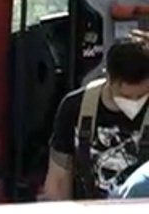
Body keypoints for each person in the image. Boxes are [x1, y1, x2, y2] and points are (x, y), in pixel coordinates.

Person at [43, 29, 149, 200]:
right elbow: (58, 178)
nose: (135, 102)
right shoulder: (75, 107)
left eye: (142, 95)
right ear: (109, 77)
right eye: (127, 96)